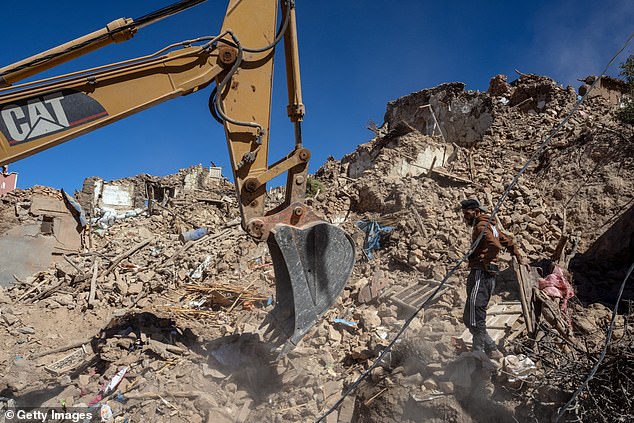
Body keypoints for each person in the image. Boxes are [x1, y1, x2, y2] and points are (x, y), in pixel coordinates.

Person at [460, 198, 526, 359]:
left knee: (474, 315)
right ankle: (478, 350)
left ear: (476, 212)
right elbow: (507, 241)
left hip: (480, 274)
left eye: (468, 214)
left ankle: (491, 349)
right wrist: (518, 256)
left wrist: (483, 259)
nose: (466, 218)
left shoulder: (482, 226)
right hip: (487, 275)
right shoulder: (491, 225)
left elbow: (495, 245)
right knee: (471, 316)